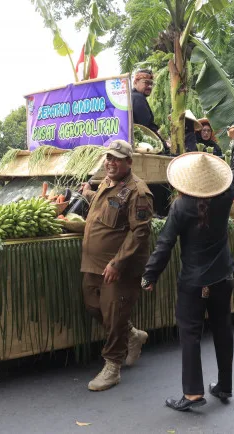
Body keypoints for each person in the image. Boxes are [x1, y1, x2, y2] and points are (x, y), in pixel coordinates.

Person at [142, 125, 234, 412]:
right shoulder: (225, 198)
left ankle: (193, 394)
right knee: (223, 330)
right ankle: (224, 385)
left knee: (190, 334)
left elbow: (165, 243)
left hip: (194, 283)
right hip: (223, 278)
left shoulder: (181, 207)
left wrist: (150, 275)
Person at [80, 139, 154, 391]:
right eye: (108, 158)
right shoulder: (106, 183)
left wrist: (118, 263)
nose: (111, 163)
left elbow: (139, 232)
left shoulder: (138, 192)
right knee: (92, 306)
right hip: (93, 264)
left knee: (114, 314)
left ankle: (112, 366)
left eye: (117, 159)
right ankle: (132, 335)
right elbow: (105, 206)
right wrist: (88, 193)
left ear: (129, 162)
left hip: (118, 268)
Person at [131, 69, 167, 151]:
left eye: (151, 84)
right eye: (146, 83)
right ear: (135, 82)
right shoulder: (138, 98)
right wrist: (164, 145)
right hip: (141, 145)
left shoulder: (131, 97)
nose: (150, 87)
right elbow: (146, 128)